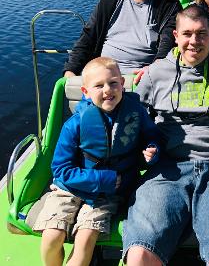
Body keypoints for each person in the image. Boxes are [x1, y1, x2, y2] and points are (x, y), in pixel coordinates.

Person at [123, 4, 209, 266]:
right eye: (187, 34)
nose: (194, 42)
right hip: (168, 168)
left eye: (201, 34)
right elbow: (134, 120)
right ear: (175, 36)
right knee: (140, 253)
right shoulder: (155, 74)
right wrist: (142, 149)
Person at [34, 57, 161, 266]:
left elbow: (152, 136)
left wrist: (152, 150)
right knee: (51, 237)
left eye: (113, 83)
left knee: (85, 239)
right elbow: (60, 169)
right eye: (98, 85)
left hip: (107, 195)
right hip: (70, 188)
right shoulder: (74, 124)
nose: (107, 90)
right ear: (85, 92)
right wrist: (106, 179)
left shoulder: (135, 113)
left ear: (122, 83)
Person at [64, 0, 182, 83]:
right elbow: (87, 39)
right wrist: (70, 70)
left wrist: (155, 68)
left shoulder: (169, 4)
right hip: (104, 77)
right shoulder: (109, 1)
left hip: (143, 79)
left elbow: (168, 43)